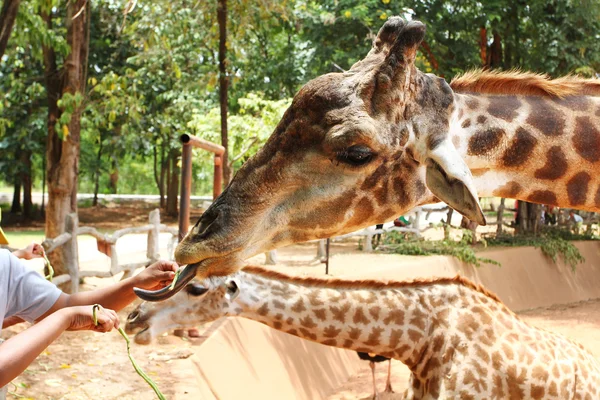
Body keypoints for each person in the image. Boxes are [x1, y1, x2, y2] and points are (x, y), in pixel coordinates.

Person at [0, 225, 178, 390]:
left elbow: (65, 304)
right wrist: (65, 317)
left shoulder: (6, 265)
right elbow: (64, 311)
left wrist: (136, 284)